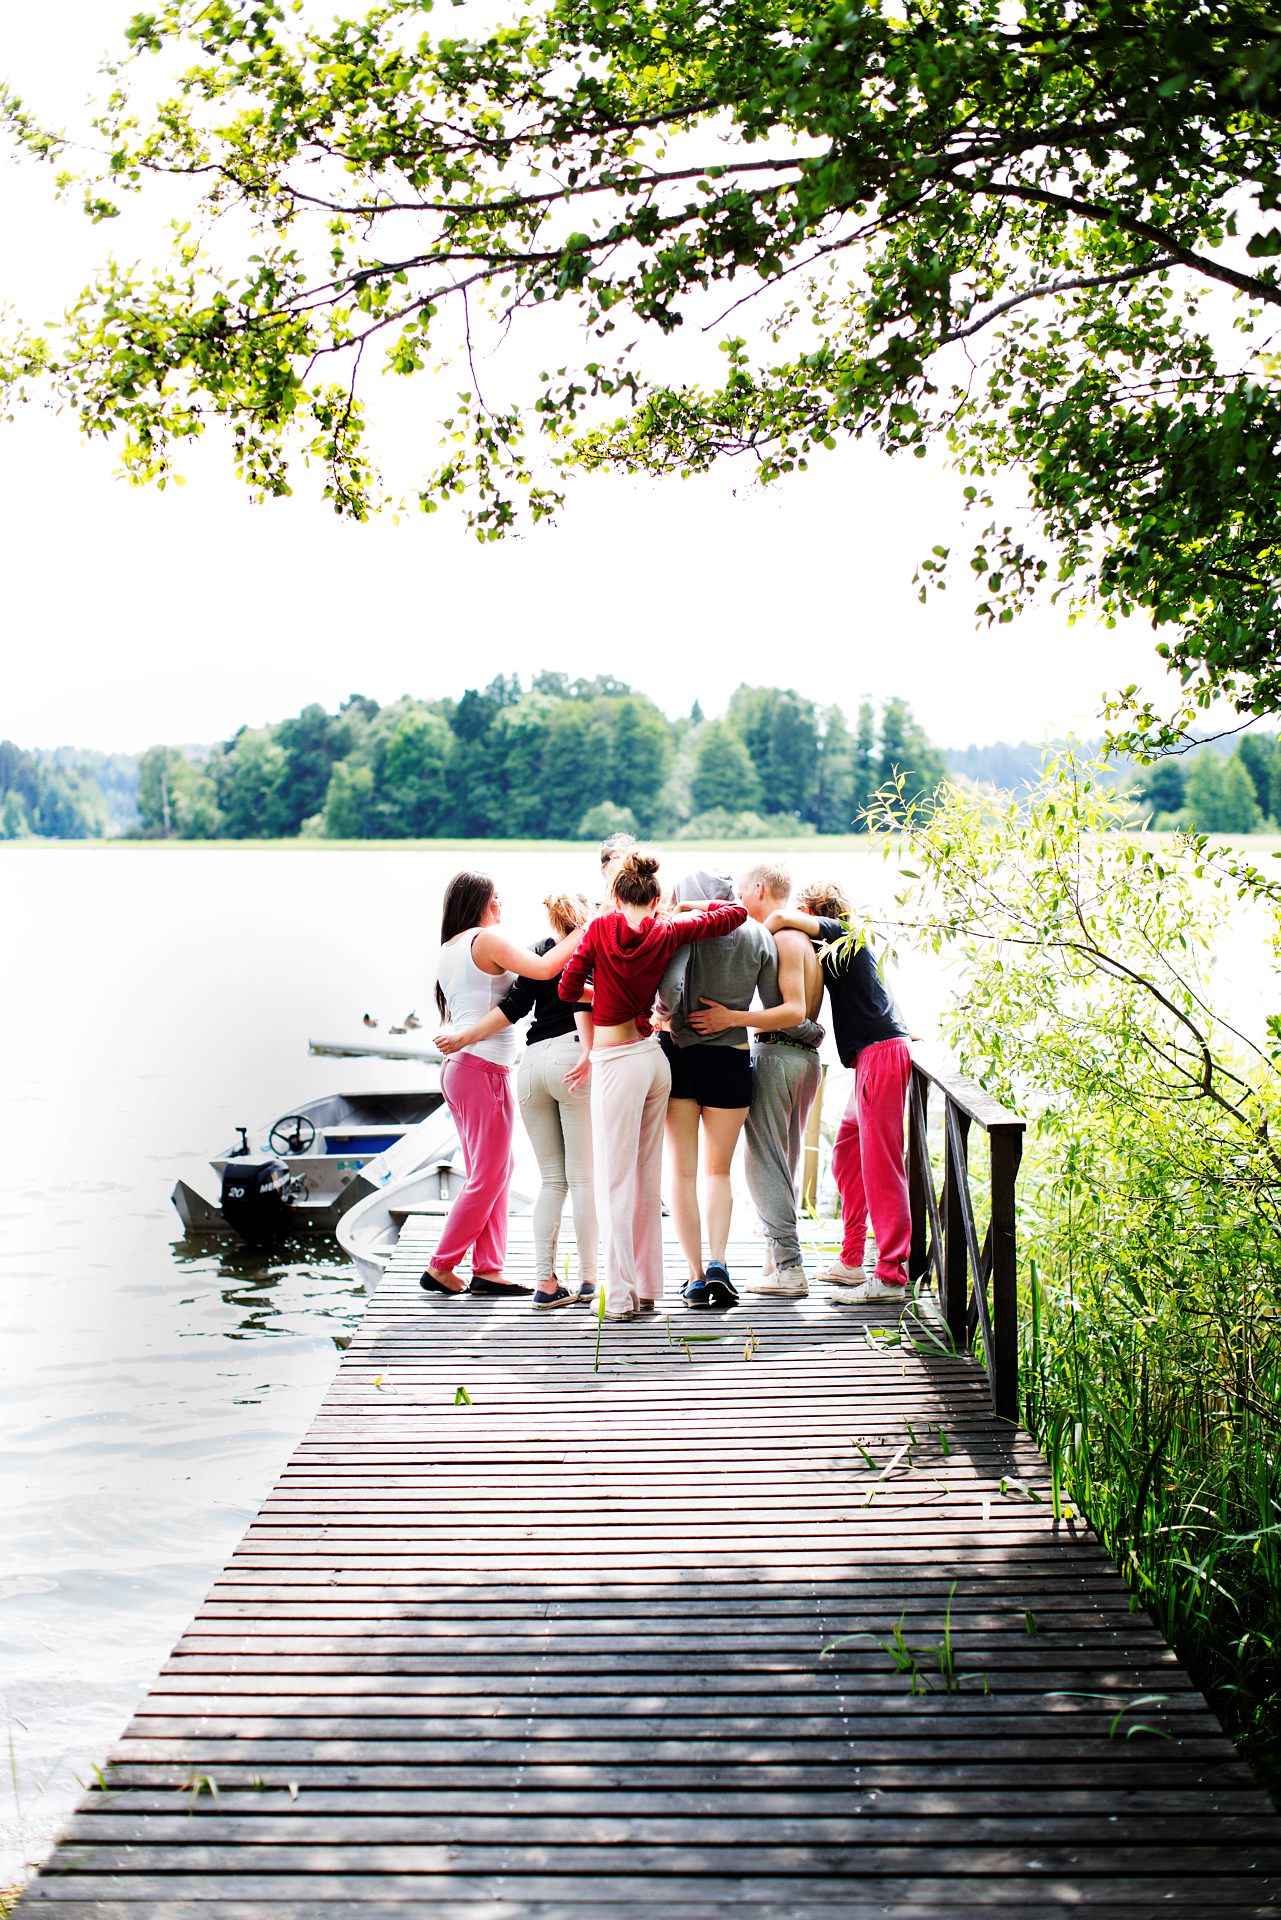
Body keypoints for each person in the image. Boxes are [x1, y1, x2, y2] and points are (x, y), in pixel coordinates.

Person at [558, 851, 746, 1320]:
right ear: (656, 897)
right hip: (652, 1060)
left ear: (614, 894)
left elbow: (566, 989)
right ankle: (645, 1289)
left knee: (615, 1183)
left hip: (616, 1063)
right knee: (645, 1180)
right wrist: (690, 908)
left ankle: (620, 1298)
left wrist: (605, 994)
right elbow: (736, 913)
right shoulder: (668, 929)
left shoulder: (599, 928)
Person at [658, 869, 820, 1308]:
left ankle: (694, 1277)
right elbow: (774, 1003)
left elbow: (671, 986)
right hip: (730, 1057)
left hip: (679, 1054)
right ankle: (719, 1263)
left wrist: (664, 1018)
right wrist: (811, 1033)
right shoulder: (758, 934)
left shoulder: (683, 927)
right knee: (718, 1171)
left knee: (683, 1172)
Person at [423, 871, 582, 1302]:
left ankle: (488, 1269)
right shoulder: (484, 940)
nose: (501, 904)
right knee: (490, 1174)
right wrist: (583, 930)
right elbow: (545, 968)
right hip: (481, 1069)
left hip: (464, 1069)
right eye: (495, 898)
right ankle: (441, 1265)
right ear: (477, 902)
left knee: (495, 1171)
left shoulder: (450, 948)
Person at [767, 881, 912, 1306]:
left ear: (814, 911)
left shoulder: (840, 932)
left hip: (880, 1055)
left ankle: (890, 1276)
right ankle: (851, 1260)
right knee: (847, 1152)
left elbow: (779, 917)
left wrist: (764, 931)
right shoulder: (846, 947)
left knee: (882, 1167)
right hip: (872, 1057)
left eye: (804, 912)